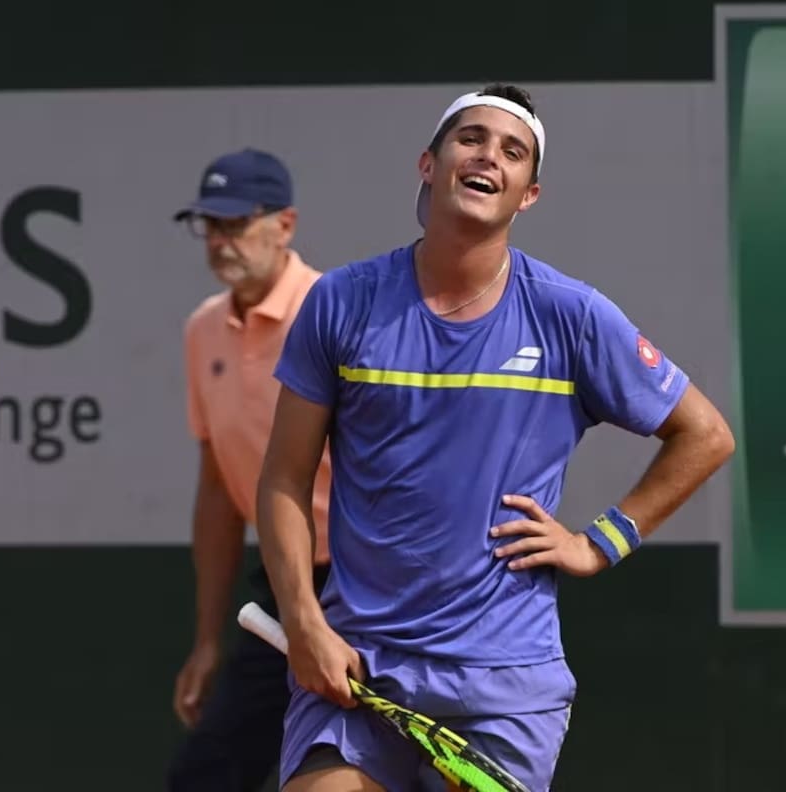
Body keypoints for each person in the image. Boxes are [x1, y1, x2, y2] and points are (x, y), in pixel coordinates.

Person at [255, 83, 736, 792]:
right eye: (471, 139)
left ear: (528, 194)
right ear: (429, 162)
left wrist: (598, 542)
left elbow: (705, 434)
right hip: (361, 660)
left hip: (505, 681)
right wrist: (303, 624)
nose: (489, 157)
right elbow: (284, 480)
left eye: (513, 152)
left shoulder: (570, 314)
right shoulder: (342, 302)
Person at [167, 148, 333, 792]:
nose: (219, 241)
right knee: (205, 777)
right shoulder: (202, 331)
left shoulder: (332, 309)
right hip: (285, 585)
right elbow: (216, 489)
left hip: (375, 583)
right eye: (210, 225)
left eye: (235, 224)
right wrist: (208, 639)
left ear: (284, 224)